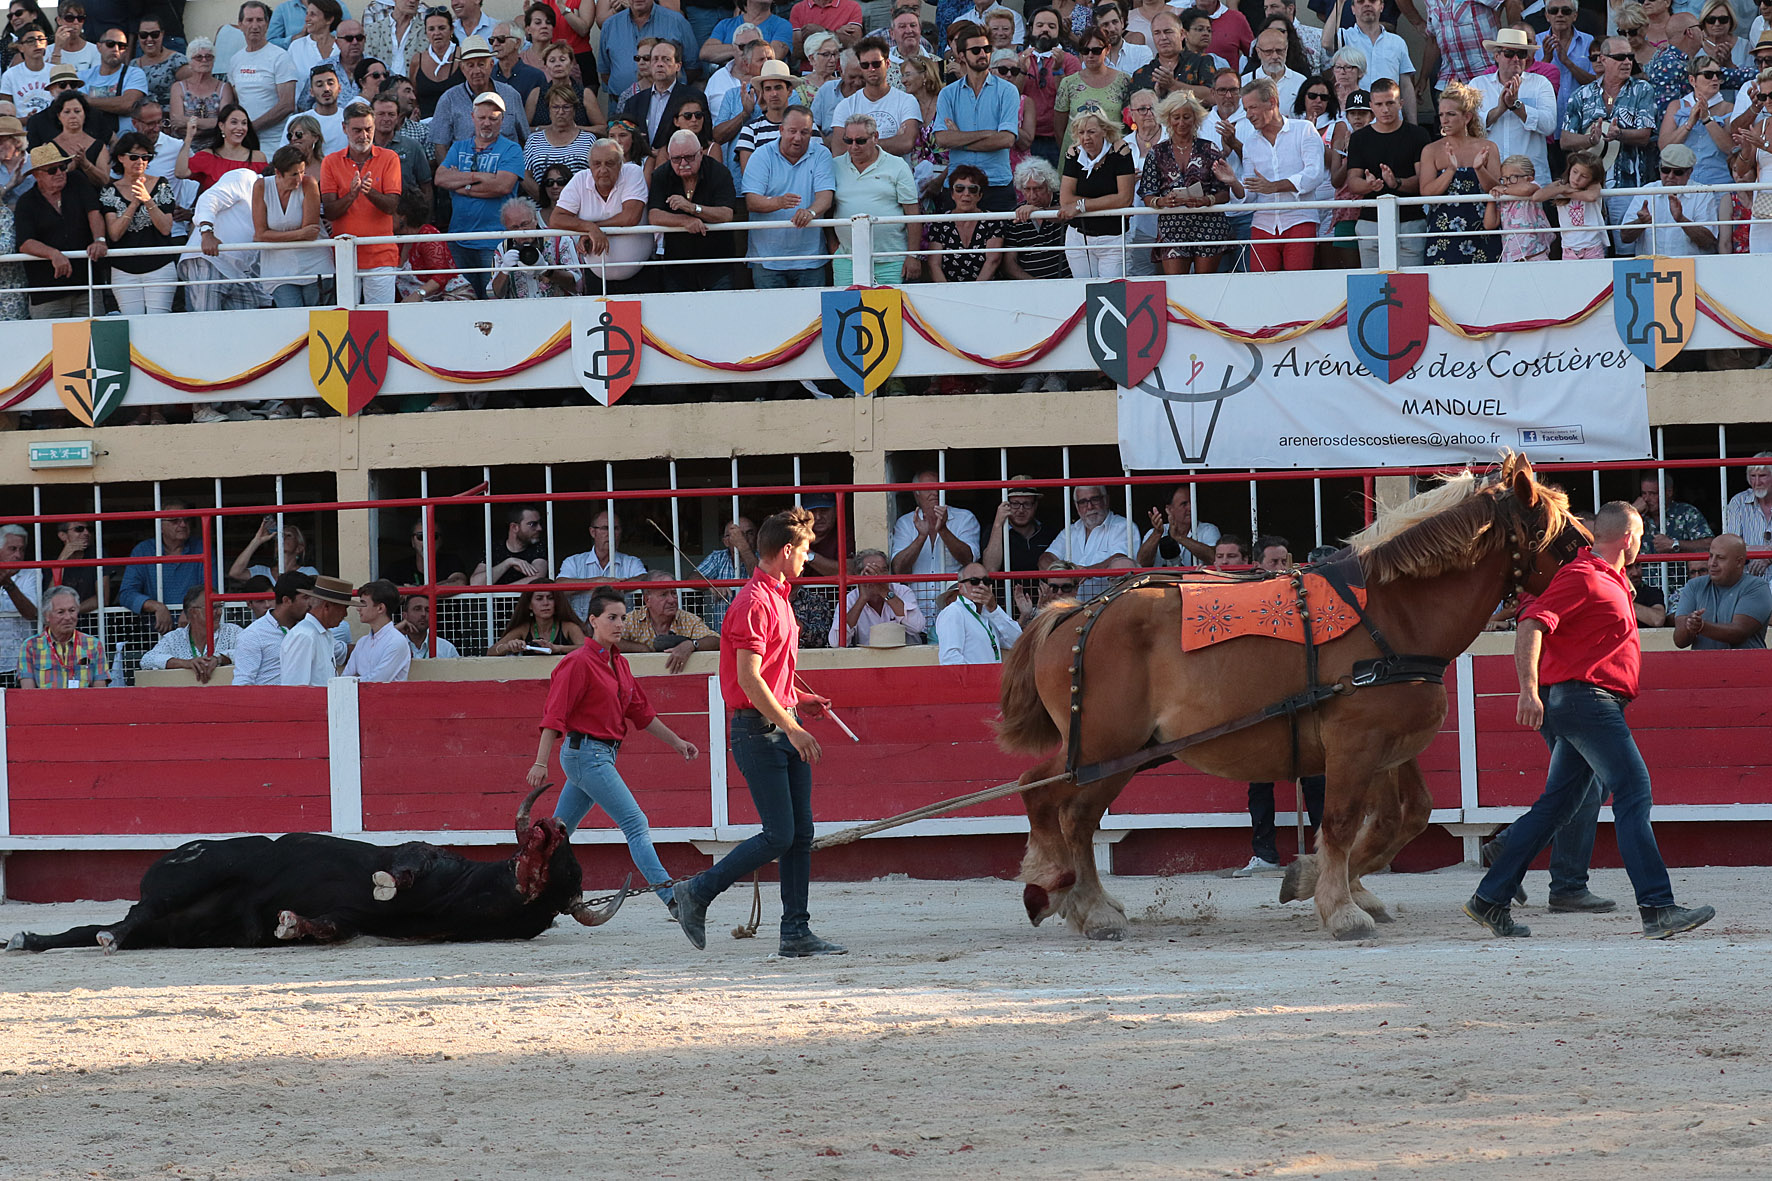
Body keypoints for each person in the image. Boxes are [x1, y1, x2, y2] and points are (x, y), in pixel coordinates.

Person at [1463, 501, 1717, 941]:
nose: (1640, 544)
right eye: (1640, 537)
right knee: (1633, 792)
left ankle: (1490, 898)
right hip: (1588, 702)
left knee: (1558, 805)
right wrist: (1527, 689)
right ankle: (1657, 907)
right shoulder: (1582, 575)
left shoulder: (1608, 577)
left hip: (1587, 701)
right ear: (1628, 538)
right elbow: (1531, 624)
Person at [671, 507, 847, 958]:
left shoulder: (775, 597)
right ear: (786, 550)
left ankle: (796, 932)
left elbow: (767, 676)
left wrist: (797, 700)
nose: (807, 559)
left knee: (798, 834)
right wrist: (792, 726)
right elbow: (748, 681)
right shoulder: (754, 602)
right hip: (760, 731)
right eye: (805, 551)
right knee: (780, 834)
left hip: (776, 724)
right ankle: (697, 891)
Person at [527, 584, 700, 914]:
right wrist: (540, 762)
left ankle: (528, 898)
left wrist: (677, 743)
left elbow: (641, 713)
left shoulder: (619, 664)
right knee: (635, 823)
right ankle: (674, 900)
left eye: (622, 618)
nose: (619, 624)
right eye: (612, 617)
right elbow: (554, 715)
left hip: (597, 755)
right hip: (586, 756)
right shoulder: (577, 663)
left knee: (558, 835)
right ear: (593, 620)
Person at [1213, 76, 1321, 272]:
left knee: (1298, 283)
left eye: (1253, 108)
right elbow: (1249, 194)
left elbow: (1314, 174)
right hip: (1263, 225)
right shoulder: (1250, 144)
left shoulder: (1304, 130)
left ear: (1272, 102)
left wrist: (1274, 186)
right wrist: (1233, 182)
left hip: (1300, 219)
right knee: (1262, 285)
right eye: (1246, 109)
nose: (1248, 115)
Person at [1559, 36, 1658, 250]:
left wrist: (1619, 134)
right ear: (1603, 59)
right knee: (1590, 249)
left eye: (1630, 57)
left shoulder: (1642, 89)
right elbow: (1565, 140)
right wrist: (1590, 139)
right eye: (1620, 57)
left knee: (1626, 248)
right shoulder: (1581, 94)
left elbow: (1644, 136)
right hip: (1587, 186)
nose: (1627, 62)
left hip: (1628, 184)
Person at [435, 90, 522, 297]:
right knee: (462, 299)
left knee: (494, 299)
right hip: (459, 239)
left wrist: (461, 183)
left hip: (495, 240)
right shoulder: (458, 147)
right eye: (482, 117)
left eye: (493, 118)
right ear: (472, 117)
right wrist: (479, 177)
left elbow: (503, 186)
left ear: (502, 120)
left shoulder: (512, 149)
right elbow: (440, 178)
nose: (486, 123)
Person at [1139, 90, 1231, 274]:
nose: (1181, 122)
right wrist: (1162, 201)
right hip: (1172, 227)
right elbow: (1147, 193)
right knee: (1176, 285)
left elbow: (1224, 193)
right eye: (1176, 117)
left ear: (1195, 119)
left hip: (1208, 226)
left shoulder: (1209, 149)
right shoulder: (1156, 152)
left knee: (1206, 283)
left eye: (1186, 117)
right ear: (1168, 119)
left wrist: (1206, 200)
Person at [740, 104, 833, 286]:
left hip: (810, 259)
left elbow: (826, 197)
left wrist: (811, 212)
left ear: (812, 133)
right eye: (792, 131)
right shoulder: (761, 155)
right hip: (767, 260)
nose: (798, 137)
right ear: (781, 130)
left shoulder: (822, 154)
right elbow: (751, 201)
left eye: (804, 132)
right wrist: (779, 202)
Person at [1341, 77, 1428, 267]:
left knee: (1413, 281)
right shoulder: (1359, 138)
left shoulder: (1418, 135)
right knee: (1372, 282)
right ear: (1371, 106)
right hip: (1370, 221)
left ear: (1401, 103)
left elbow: (1423, 181)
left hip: (1410, 221)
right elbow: (1353, 182)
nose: (1385, 109)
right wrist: (1369, 185)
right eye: (1379, 104)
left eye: (1390, 103)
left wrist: (1397, 183)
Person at [936, 21, 1019, 208]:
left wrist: (960, 140)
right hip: (958, 187)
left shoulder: (1007, 91)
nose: (983, 54)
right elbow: (942, 139)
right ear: (961, 56)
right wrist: (988, 133)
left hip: (996, 184)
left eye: (987, 49)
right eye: (975, 50)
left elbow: (1006, 140)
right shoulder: (947, 94)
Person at [550, 138, 650, 292]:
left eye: (609, 163)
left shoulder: (632, 172)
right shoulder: (580, 179)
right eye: (597, 164)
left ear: (620, 164)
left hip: (640, 277)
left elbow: (631, 217)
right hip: (595, 279)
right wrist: (589, 228)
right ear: (590, 166)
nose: (603, 170)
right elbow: (556, 219)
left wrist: (594, 229)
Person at [830, 111, 919, 284]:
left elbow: (913, 212)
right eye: (848, 141)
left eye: (860, 141)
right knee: (845, 302)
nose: (854, 146)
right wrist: (833, 247)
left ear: (875, 137)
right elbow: (827, 208)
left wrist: (913, 255)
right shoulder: (834, 165)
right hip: (847, 259)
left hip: (892, 260)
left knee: (891, 303)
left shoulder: (898, 165)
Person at [648, 126, 738, 289]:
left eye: (689, 157)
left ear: (701, 153)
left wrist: (693, 208)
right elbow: (654, 215)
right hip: (677, 267)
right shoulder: (661, 175)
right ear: (669, 157)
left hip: (717, 264)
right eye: (676, 159)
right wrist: (685, 220)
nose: (683, 163)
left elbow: (726, 214)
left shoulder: (719, 172)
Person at [1420, 80, 1500, 265]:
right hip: (1443, 231)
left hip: (1483, 228)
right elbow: (1426, 192)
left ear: (1467, 117)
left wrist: (1479, 169)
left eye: (1451, 114)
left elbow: (1497, 189)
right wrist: (1450, 170)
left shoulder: (1488, 147)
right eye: (1441, 114)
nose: (1444, 120)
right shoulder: (1431, 150)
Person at [99, 129, 177, 315]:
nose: (140, 162)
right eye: (134, 157)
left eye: (145, 157)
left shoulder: (161, 184)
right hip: (123, 269)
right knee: (131, 322)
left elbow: (166, 229)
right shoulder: (110, 190)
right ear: (121, 158)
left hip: (160, 266)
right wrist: (134, 204)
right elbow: (114, 234)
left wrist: (148, 200)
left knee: (160, 319)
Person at [890, 470, 981, 621]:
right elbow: (898, 568)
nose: (935, 492)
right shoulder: (905, 523)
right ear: (916, 493)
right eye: (928, 488)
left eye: (939, 487)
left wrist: (943, 530)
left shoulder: (965, 518)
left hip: (956, 610)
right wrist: (921, 537)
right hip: (915, 612)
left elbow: (969, 559)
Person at [1058, 105, 1134, 278]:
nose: (1086, 138)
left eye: (1091, 132)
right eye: (1081, 132)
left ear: (1104, 131)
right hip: (1079, 237)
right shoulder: (1073, 153)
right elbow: (1065, 200)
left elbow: (1124, 199)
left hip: (1113, 237)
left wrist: (1081, 206)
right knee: (1083, 288)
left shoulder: (1120, 151)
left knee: (1112, 289)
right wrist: (1107, 201)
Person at [252, 142, 327, 307]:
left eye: (302, 172)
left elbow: (311, 232)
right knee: (292, 317)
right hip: (278, 270)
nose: (299, 178)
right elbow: (260, 235)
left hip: (315, 265)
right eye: (294, 174)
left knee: (318, 318)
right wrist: (300, 234)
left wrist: (273, 236)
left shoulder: (309, 183)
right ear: (278, 172)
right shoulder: (261, 186)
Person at [1672, 535, 1772, 648]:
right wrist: (1689, 625)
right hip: (1704, 660)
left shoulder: (1757, 587)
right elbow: (1679, 641)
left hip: (1745, 660)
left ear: (1739, 562)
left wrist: (1701, 626)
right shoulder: (1693, 586)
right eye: (1711, 556)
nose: (1712, 563)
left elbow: (1739, 633)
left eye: (1720, 558)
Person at [1619, 141, 1718, 255]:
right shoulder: (1646, 191)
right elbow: (1624, 238)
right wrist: (1640, 222)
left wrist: (1681, 219)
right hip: (1651, 264)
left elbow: (1708, 242)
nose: (1670, 176)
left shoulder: (1702, 193)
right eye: (1665, 170)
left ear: (1690, 172)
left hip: (1690, 264)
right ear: (1659, 168)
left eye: (1678, 172)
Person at [1041, 484, 1135, 599]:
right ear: (1076, 506)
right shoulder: (1070, 531)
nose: (1089, 506)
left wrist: (1089, 571)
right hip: (1071, 606)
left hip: (1106, 605)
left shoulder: (1123, 526)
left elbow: (1121, 559)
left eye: (1095, 499)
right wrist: (1063, 574)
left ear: (1106, 500)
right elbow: (1045, 558)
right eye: (1083, 502)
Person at [1322, 0, 1413, 120]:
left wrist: (1413, 123)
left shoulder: (1397, 42)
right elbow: (1326, 43)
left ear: (1381, 6)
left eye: (1372, 1)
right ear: (1353, 9)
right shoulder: (1344, 37)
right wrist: (1339, 4)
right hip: (1356, 118)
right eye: (1360, 1)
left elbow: (1406, 85)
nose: (1367, 4)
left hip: (1389, 118)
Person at [618, 570, 719, 671]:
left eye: (674, 593)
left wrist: (691, 645)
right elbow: (611, 640)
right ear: (647, 600)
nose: (672, 600)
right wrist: (641, 649)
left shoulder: (687, 619)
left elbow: (717, 641)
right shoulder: (632, 619)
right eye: (663, 595)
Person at [232, 1, 299, 153]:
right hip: (243, 143)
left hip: (274, 143)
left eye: (259, 20)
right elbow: (237, 100)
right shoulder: (235, 60)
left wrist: (251, 128)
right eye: (249, 20)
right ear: (240, 25)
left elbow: (287, 105)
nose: (255, 25)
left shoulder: (280, 57)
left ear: (267, 24)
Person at [140, 585, 245, 682]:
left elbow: (250, 653)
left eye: (220, 606)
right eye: (213, 607)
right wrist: (186, 663)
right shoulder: (174, 637)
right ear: (193, 612)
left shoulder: (232, 631)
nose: (219, 612)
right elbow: (147, 660)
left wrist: (219, 659)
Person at [1054, 26, 1129, 157]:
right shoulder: (1068, 83)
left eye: (1096, 51)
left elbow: (1129, 122)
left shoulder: (1123, 81)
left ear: (1107, 49)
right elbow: (1059, 127)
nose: (1090, 55)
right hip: (1076, 156)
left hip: (1114, 155)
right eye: (1085, 51)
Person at [924, 163, 1005, 284]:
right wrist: (947, 291)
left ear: (980, 195)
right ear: (952, 194)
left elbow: (993, 260)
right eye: (959, 188)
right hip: (948, 289)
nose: (966, 193)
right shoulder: (939, 223)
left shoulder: (993, 221)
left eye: (973, 189)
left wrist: (975, 290)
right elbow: (934, 264)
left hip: (986, 288)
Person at [559, 508, 646, 617]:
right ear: (593, 532)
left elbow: (645, 579)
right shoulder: (573, 562)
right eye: (605, 528)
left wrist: (618, 586)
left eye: (615, 528)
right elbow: (559, 586)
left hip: (621, 626)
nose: (611, 534)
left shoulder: (631, 562)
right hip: (581, 626)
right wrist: (597, 582)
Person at [601, 0, 695, 100]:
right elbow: (605, 72)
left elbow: (693, 68)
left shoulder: (676, 21)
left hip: (668, 104)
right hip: (619, 105)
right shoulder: (610, 25)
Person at [491, 192, 581, 297]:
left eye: (525, 224)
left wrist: (546, 270)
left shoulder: (560, 239)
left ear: (536, 219)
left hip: (559, 305)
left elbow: (578, 285)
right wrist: (504, 271)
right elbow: (492, 295)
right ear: (507, 229)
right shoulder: (503, 248)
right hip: (519, 306)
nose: (521, 231)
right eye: (514, 227)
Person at [231, 570, 313, 684]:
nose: (310, 603)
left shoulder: (310, 628)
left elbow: (336, 651)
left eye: (270, 599)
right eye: (305, 597)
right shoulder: (253, 635)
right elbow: (243, 683)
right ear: (286, 600)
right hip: (272, 695)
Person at [17, 585, 107, 688]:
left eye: (72, 610)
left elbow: (100, 691)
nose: (68, 617)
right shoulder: (30, 646)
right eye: (61, 612)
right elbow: (28, 693)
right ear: (47, 615)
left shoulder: (94, 645)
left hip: (84, 699)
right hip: (46, 699)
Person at [831, 549, 925, 646]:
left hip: (906, 653)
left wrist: (884, 591)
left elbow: (917, 627)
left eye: (883, 570)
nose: (878, 576)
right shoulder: (850, 599)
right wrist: (862, 598)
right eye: (870, 572)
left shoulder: (902, 591)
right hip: (868, 655)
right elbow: (836, 642)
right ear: (859, 575)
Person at [935, 561, 1022, 664]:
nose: (981, 585)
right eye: (974, 581)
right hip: (976, 674)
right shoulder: (954, 612)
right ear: (961, 588)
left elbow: (1018, 642)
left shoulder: (989, 614)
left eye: (986, 581)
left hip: (991, 673)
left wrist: (994, 609)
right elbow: (950, 659)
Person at [280, 574, 353, 685]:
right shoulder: (304, 636)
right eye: (343, 608)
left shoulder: (321, 634)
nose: (345, 614)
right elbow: (294, 687)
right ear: (326, 606)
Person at [1534, 151, 1608, 260]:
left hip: (1592, 247)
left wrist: (1566, 192)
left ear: (1592, 178)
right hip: (1568, 248)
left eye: (1584, 176)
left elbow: (1591, 196)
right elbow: (1537, 197)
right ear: (1569, 169)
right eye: (1575, 172)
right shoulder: (1560, 184)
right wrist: (1562, 189)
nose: (1576, 178)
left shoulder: (1594, 185)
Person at [178, 102, 267, 191]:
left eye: (244, 123)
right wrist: (189, 137)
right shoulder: (208, 156)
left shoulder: (258, 157)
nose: (240, 128)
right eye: (234, 122)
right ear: (221, 126)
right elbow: (180, 173)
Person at [1485, 152, 1552, 262]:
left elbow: (1526, 189)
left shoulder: (1534, 187)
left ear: (1529, 178)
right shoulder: (1504, 197)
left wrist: (1504, 190)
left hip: (1536, 254)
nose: (1508, 182)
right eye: (1504, 179)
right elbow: (1489, 224)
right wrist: (1492, 197)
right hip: (1511, 258)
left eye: (1513, 178)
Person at [342, 578, 412, 680]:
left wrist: (354, 680)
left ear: (380, 608)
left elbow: (376, 681)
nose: (358, 608)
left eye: (363, 603)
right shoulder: (362, 642)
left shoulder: (397, 641)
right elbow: (344, 679)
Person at [1137, 484, 1221, 567]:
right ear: (1169, 509)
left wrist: (1179, 537)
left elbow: (1215, 558)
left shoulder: (1208, 530)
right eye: (1184, 504)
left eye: (1192, 502)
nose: (1190, 507)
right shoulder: (1154, 532)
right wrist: (1157, 533)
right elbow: (1141, 563)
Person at [0, 524, 42, 688]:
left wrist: (8, 584)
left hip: (20, 664)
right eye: (12, 549)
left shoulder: (32, 573)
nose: (18, 555)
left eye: (21, 549)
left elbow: (32, 613)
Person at [472, 504, 549, 585]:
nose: (539, 528)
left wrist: (498, 592)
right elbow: (475, 584)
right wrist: (508, 562)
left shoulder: (538, 547)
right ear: (514, 527)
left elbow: (537, 578)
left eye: (540, 523)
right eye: (532, 524)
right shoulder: (494, 549)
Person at [168, 37, 231, 136]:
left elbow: (225, 122)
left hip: (215, 142)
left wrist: (188, 121)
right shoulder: (178, 87)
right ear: (190, 61)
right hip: (184, 141)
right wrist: (210, 124)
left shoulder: (224, 88)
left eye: (209, 56)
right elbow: (177, 123)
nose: (204, 60)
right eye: (198, 57)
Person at [407, 5, 459, 120]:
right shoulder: (417, 60)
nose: (437, 33)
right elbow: (413, 95)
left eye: (442, 28)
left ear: (451, 30)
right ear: (426, 32)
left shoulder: (463, 57)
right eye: (431, 29)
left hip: (457, 123)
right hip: (425, 125)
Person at [228, 517, 317, 583]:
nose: (282, 538)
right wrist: (256, 541)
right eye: (280, 536)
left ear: (299, 548)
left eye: (288, 535)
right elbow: (235, 573)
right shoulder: (262, 572)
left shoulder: (308, 572)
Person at [396, 593, 461, 658]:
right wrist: (395, 631)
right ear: (405, 615)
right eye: (417, 609)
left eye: (427, 610)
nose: (423, 614)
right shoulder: (394, 644)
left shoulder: (446, 648)